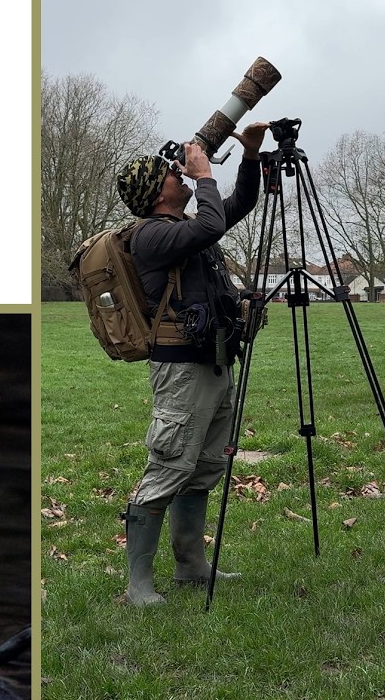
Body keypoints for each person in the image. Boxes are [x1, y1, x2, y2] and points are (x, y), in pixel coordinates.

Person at [114, 122, 268, 606]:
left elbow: (233, 209)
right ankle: (138, 585)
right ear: (158, 193)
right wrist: (203, 171)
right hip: (181, 368)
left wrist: (249, 157)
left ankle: (190, 565)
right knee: (167, 467)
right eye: (172, 175)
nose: (180, 176)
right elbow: (212, 222)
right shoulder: (149, 237)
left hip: (216, 359)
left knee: (201, 468)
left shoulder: (185, 229)